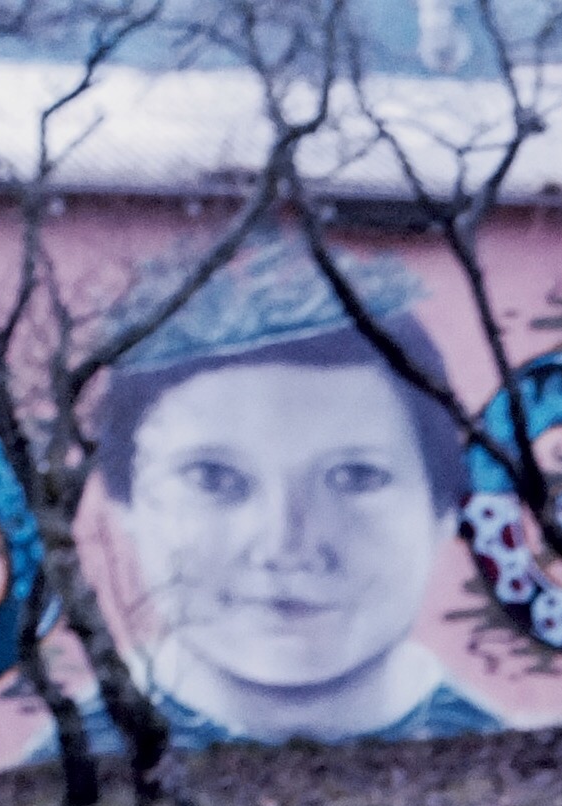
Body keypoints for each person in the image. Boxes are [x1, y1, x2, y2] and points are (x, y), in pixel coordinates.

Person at [89, 258, 503, 747]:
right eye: (214, 478)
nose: (284, 545)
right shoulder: (73, 758)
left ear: (443, 510)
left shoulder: (510, 766)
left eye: (354, 476)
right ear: (125, 506)